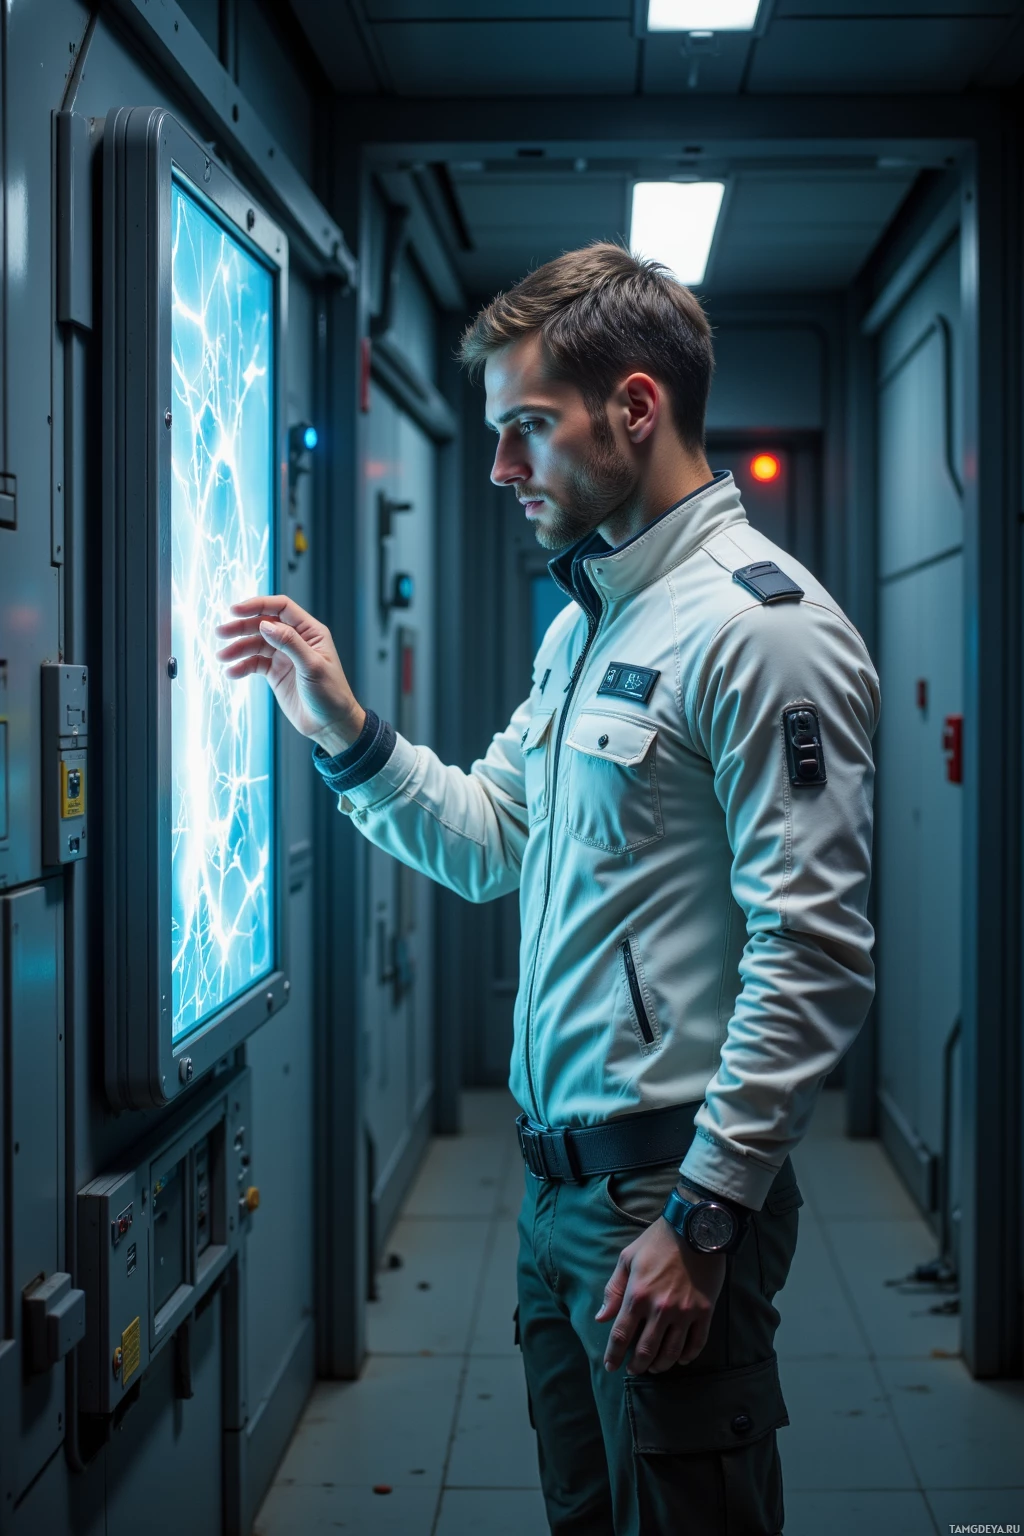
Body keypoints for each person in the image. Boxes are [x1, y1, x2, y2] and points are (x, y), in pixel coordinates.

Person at [216, 242, 880, 1536]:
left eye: (528, 428)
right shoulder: (589, 625)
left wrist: (703, 1217)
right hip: (558, 1197)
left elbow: (815, 953)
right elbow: (490, 839)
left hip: (670, 1197)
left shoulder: (761, 632)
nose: (503, 467)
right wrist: (346, 731)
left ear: (636, 408)